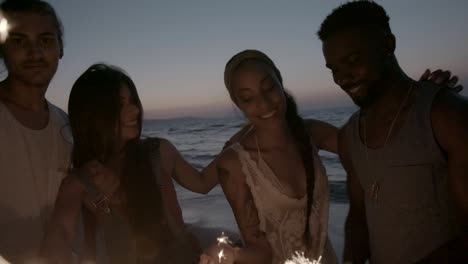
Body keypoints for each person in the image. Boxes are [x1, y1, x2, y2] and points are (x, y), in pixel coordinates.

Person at [317, 1, 468, 263]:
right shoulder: (350, 135)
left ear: (388, 45)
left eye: (353, 61)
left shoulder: (446, 116)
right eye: (335, 70)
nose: (342, 78)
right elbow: (358, 218)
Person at [199, 49, 338, 264]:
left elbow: (369, 150)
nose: (263, 103)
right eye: (248, 98)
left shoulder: (311, 134)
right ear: (238, 104)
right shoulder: (234, 164)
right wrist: (231, 254)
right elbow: (261, 252)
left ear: (280, 81)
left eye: (268, 87)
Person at [0, 0, 72, 262]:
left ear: (60, 48)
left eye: (45, 40)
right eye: (19, 41)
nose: (34, 52)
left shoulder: (65, 126)